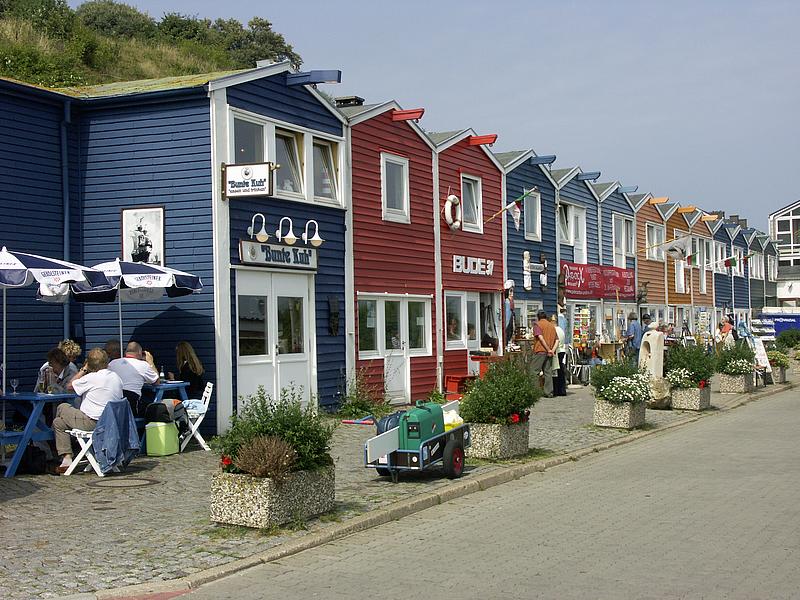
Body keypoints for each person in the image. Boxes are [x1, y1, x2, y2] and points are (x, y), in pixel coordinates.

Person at [53, 348, 123, 473]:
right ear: (106, 362)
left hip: (92, 422)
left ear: (89, 364)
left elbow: (70, 386)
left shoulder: (91, 377)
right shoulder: (116, 377)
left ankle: (70, 450)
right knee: (58, 422)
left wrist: (84, 369)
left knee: (62, 407)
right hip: (112, 423)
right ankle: (67, 457)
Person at [107, 340, 159, 417]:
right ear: (139, 353)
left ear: (126, 352)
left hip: (113, 404)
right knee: (153, 407)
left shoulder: (112, 363)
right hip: (131, 406)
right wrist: (150, 362)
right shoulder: (143, 365)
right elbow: (156, 381)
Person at [530, 310, 558, 398]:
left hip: (540, 351)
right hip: (549, 352)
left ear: (538, 317)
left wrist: (548, 349)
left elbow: (541, 338)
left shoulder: (537, 325)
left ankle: (535, 392)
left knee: (534, 371)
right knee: (548, 372)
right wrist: (552, 350)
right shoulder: (551, 326)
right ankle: (549, 392)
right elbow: (557, 340)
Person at [552, 314, 567, 396]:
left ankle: (557, 390)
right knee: (561, 370)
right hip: (562, 350)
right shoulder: (561, 330)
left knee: (556, 371)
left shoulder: (554, 330)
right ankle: (562, 390)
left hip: (557, 351)